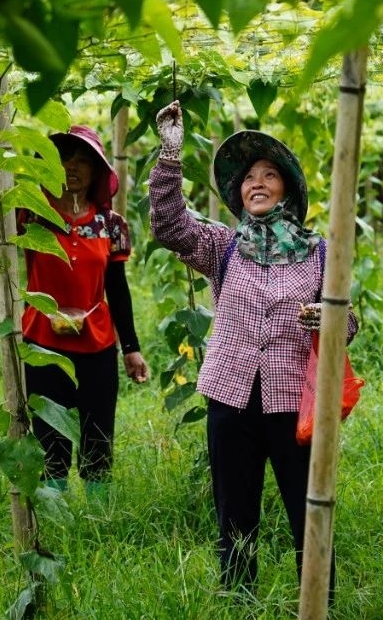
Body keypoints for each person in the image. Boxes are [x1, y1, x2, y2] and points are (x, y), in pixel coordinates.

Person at [148, 100, 356, 595]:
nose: (256, 183)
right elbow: (169, 226)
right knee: (235, 513)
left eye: (268, 175)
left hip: (293, 405)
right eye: (248, 178)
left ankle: (318, 598)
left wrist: (325, 319)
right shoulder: (223, 244)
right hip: (230, 395)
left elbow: (347, 323)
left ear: (288, 188)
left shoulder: (320, 252)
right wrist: (170, 154)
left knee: (308, 509)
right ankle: (238, 598)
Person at [18, 124, 149, 495]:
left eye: (81, 162)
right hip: (42, 342)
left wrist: (131, 348)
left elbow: (117, 289)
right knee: (49, 435)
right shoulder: (31, 215)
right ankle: (53, 514)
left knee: (97, 434)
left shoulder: (111, 225)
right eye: (62, 160)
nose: (72, 168)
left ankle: (97, 517)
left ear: (96, 172)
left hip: (97, 345)